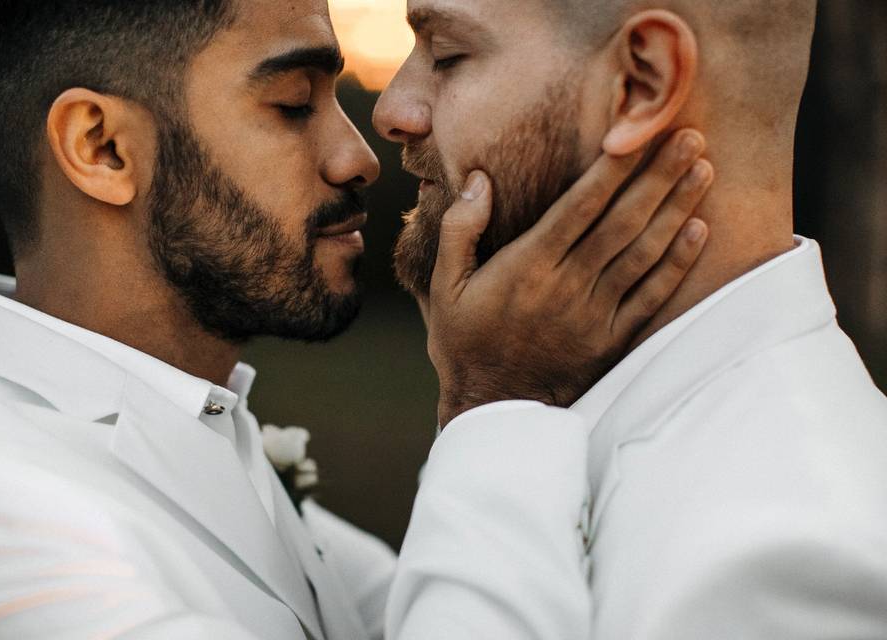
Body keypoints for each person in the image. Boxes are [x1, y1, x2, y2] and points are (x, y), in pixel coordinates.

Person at [0, 0, 710, 638]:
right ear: (102, 148)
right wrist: (496, 397)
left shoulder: (190, 418)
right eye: (294, 104)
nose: (359, 156)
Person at [374, 0, 887, 637]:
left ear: (641, 83)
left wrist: (484, 405)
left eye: (447, 54)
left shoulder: (794, 550)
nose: (392, 111)